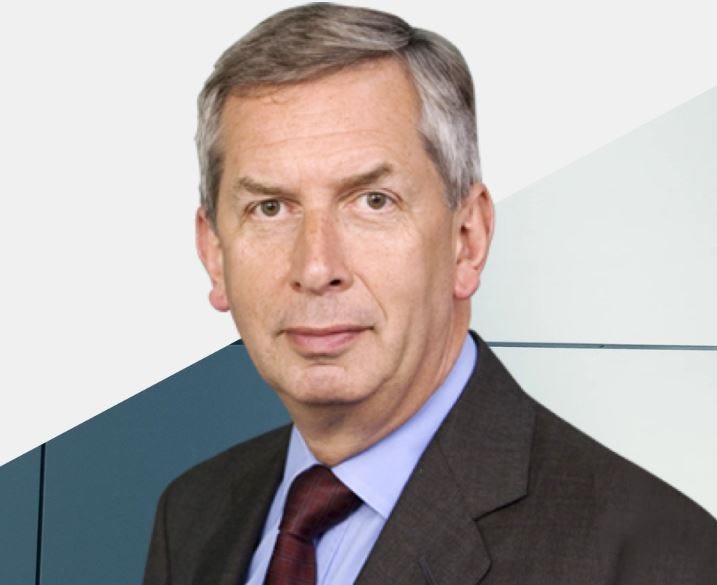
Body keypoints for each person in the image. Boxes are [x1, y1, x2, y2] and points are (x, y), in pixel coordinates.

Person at [143, 3, 717, 584]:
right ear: (214, 253)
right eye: (270, 208)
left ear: (467, 240)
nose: (316, 267)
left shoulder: (654, 558)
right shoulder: (192, 515)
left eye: (373, 202)